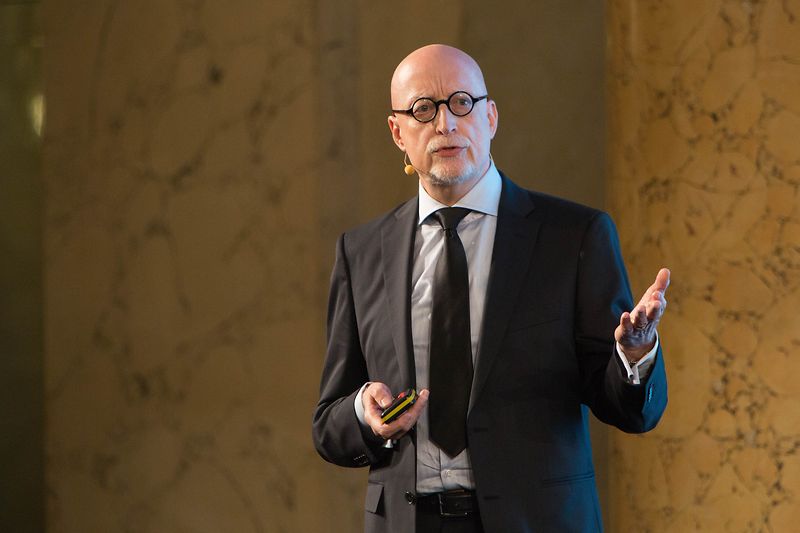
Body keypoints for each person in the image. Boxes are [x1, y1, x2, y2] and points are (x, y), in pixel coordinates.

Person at [312, 44, 669, 533]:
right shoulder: (362, 252)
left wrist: (635, 353)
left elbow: (629, 412)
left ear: (491, 117)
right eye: (424, 109)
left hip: (536, 521)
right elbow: (328, 425)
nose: (446, 124)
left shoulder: (573, 237)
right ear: (397, 132)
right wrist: (363, 413)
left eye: (462, 103)